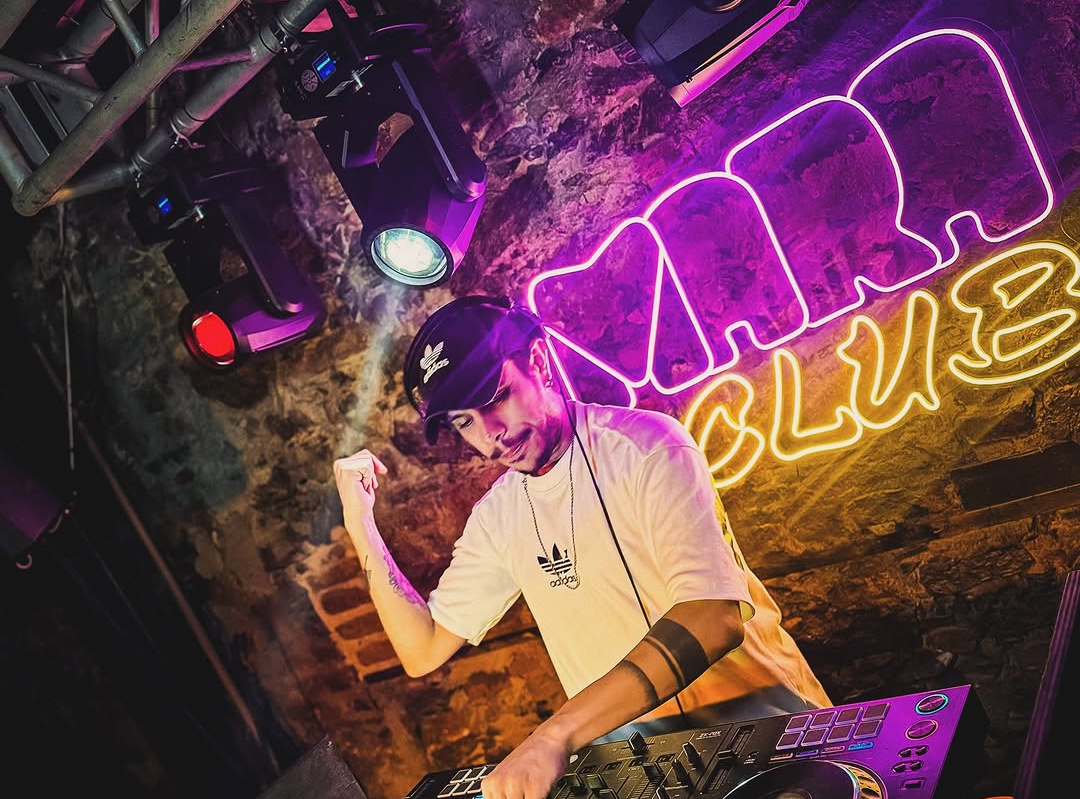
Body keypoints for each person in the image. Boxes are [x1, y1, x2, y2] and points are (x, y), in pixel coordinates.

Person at [333, 295, 831, 799]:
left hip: (773, 744)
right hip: (656, 779)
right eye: (464, 422)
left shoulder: (647, 447)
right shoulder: (497, 517)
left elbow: (711, 618)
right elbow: (423, 649)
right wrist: (360, 522)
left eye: (495, 398)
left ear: (539, 361)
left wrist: (554, 736)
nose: (490, 434)